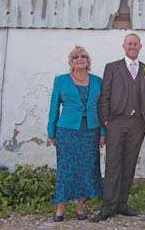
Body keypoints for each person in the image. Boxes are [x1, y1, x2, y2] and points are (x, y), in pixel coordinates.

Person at [91, 34, 145, 222]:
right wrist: (106, 121)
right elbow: (104, 96)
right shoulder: (112, 67)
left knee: (129, 164)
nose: (132, 46)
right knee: (113, 165)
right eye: (130, 44)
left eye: (136, 44)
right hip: (116, 123)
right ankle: (108, 206)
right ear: (124, 46)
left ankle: (122, 204)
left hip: (138, 124)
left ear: (140, 46)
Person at [47, 46, 105, 221]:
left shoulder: (97, 81)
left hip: (91, 131)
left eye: (83, 56)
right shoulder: (61, 81)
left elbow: (102, 109)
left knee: (86, 169)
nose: (80, 59)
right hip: (67, 131)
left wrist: (103, 133)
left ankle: (80, 206)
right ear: (71, 62)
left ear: (88, 61)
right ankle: (61, 207)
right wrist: (51, 131)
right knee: (66, 169)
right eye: (76, 57)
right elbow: (54, 107)